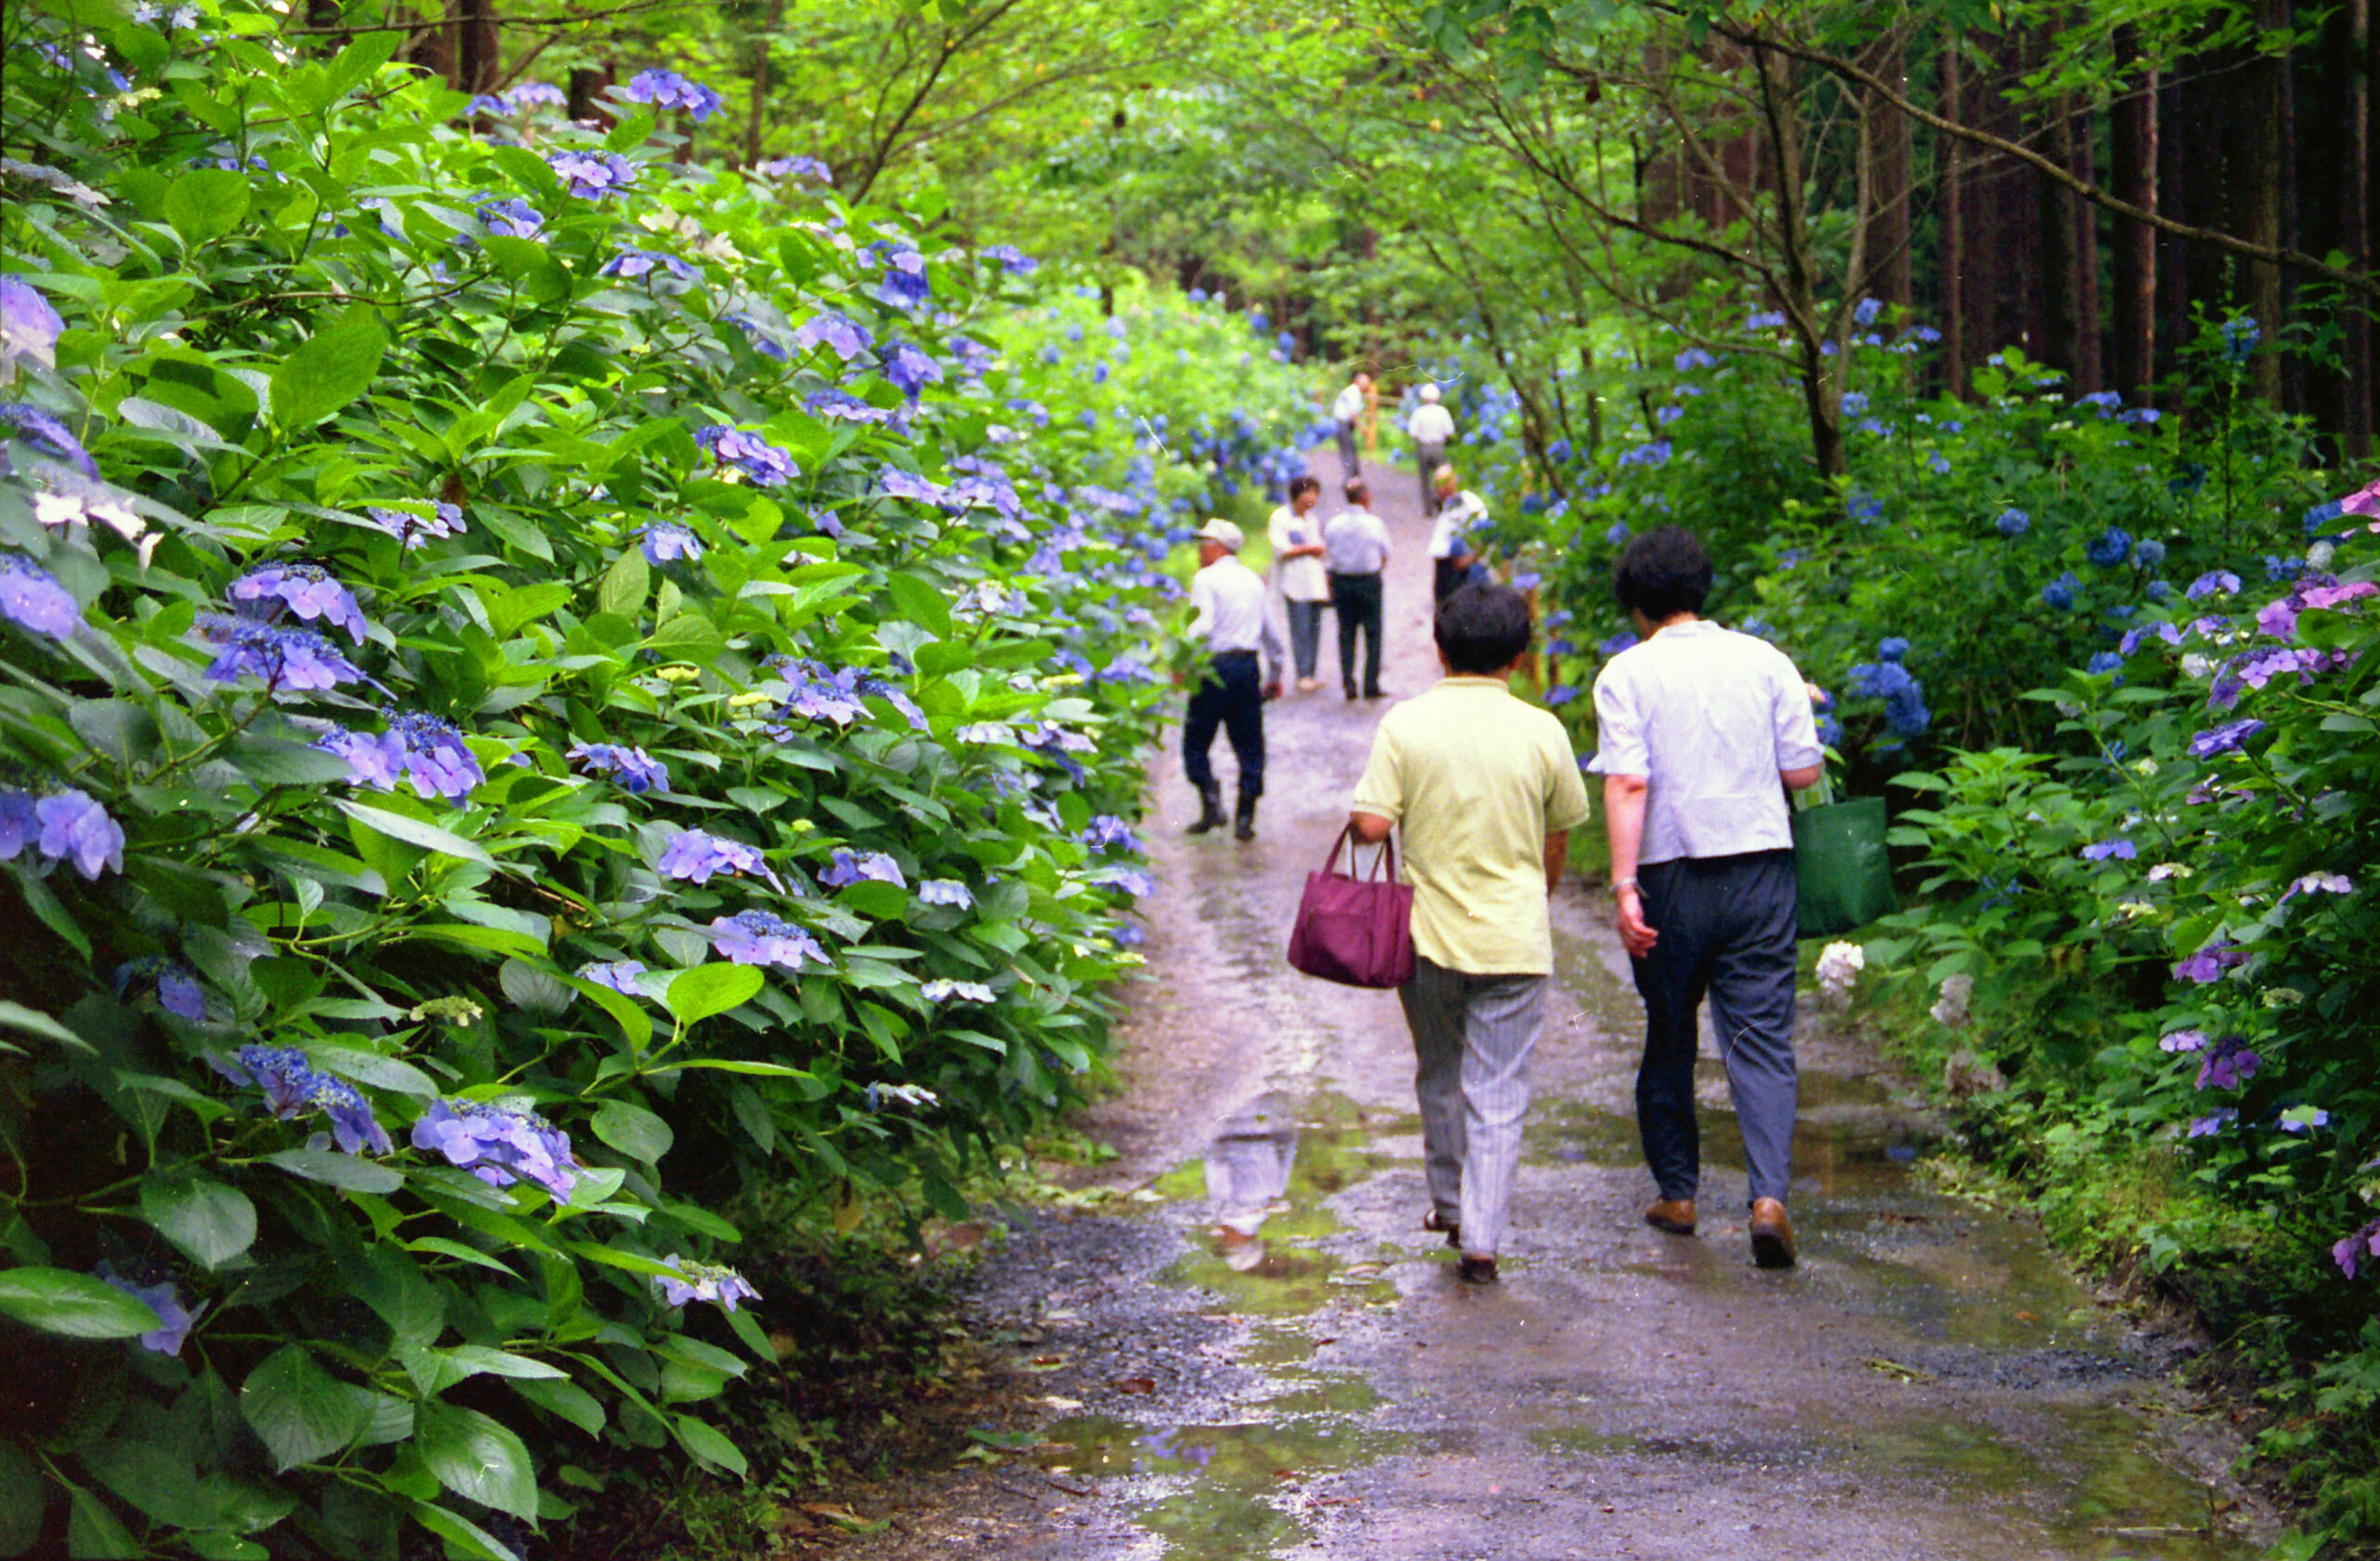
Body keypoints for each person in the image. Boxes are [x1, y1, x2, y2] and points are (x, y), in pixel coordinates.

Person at [1588, 526, 1825, 1269]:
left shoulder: (1626, 673)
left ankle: (1679, 1193)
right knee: (1762, 1034)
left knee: (1669, 1027)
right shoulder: (1767, 661)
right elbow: (1803, 774)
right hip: (1761, 871)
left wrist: (1624, 886)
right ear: (1703, 587)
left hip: (1671, 874)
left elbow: (1629, 781)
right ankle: (1769, 1198)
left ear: (1636, 604)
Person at [1349, 583, 1592, 1285]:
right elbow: (1558, 834)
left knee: (1440, 1069)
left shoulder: (1406, 724)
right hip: (1515, 936)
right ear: (1518, 656)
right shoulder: (1542, 730)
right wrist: (1536, 895)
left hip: (1425, 937)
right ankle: (1481, 1241)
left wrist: (1374, 815)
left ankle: (1451, 1205)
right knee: (1499, 1091)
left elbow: (1371, 826)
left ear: (1439, 649)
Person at [1182, 518, 1283, 841]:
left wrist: (1184, 663)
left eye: (1205, 544)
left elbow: (1201, 627)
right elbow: (1272, 635)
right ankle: (1245, 817)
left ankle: (1211, 803)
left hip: (1214, 668)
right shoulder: (1253, 580)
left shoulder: (1205, 579)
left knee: (1196, 740)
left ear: (1219, 547)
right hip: (1247, 667)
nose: (1200, 551)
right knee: (1250, 743)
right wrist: (1275, 673)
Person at [1322, 478, 1392, 700]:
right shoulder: (1374, 523)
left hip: (1342, 581)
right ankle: (1371, 683)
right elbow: (1385, 552)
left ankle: (1348, 682)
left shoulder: (1333, 524)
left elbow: (1328, 555)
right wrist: (1375, 569)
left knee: (1346, 633)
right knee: (1373, 632)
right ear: (1365, 497)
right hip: (1368, 580)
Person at [1268, 474, 1330, 691]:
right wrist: (1309, 549)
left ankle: (1310, 673)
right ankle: (1302, 674)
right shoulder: (1281, 518)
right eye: (1310, 493)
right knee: (1300, 629)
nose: (1313, 498)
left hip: (1314, 582)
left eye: (1316, 494)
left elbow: (1321, 550)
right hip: (1294, 583)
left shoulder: (1311, 519)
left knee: (1314, 629)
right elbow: (1281, 549)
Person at [1426, 465, 1485, 604]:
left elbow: (1483, 531)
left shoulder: (1469, 503)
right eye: (1436, 484)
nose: (1438, 489)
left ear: (1452, 482)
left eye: (1442, 484)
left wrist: (1471, 558)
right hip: (1443, 567)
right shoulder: (1447, 504)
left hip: (1458, 568)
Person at [1407, 383, 1456, 516]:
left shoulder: (1418, 413)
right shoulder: (1443, 412)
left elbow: (1413, 433)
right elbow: (1449, 431)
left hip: (1423, 447)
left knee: (1425, 479)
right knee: (1441, 477)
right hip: (1439, 446)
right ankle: (1441, 504)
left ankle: (1428, 509)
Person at [1330, 371, 1371, 475]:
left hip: (1344, 424)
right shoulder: (1354, 392)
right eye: (1365, 382)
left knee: (1350, 450)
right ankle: (1351, 477)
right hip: (1343, 424)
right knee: (1348, 451)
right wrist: (1361, 428)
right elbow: (1353, 414)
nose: (1367, 385)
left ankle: (1354, 475)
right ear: (1358, 381)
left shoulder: (1354, 391)